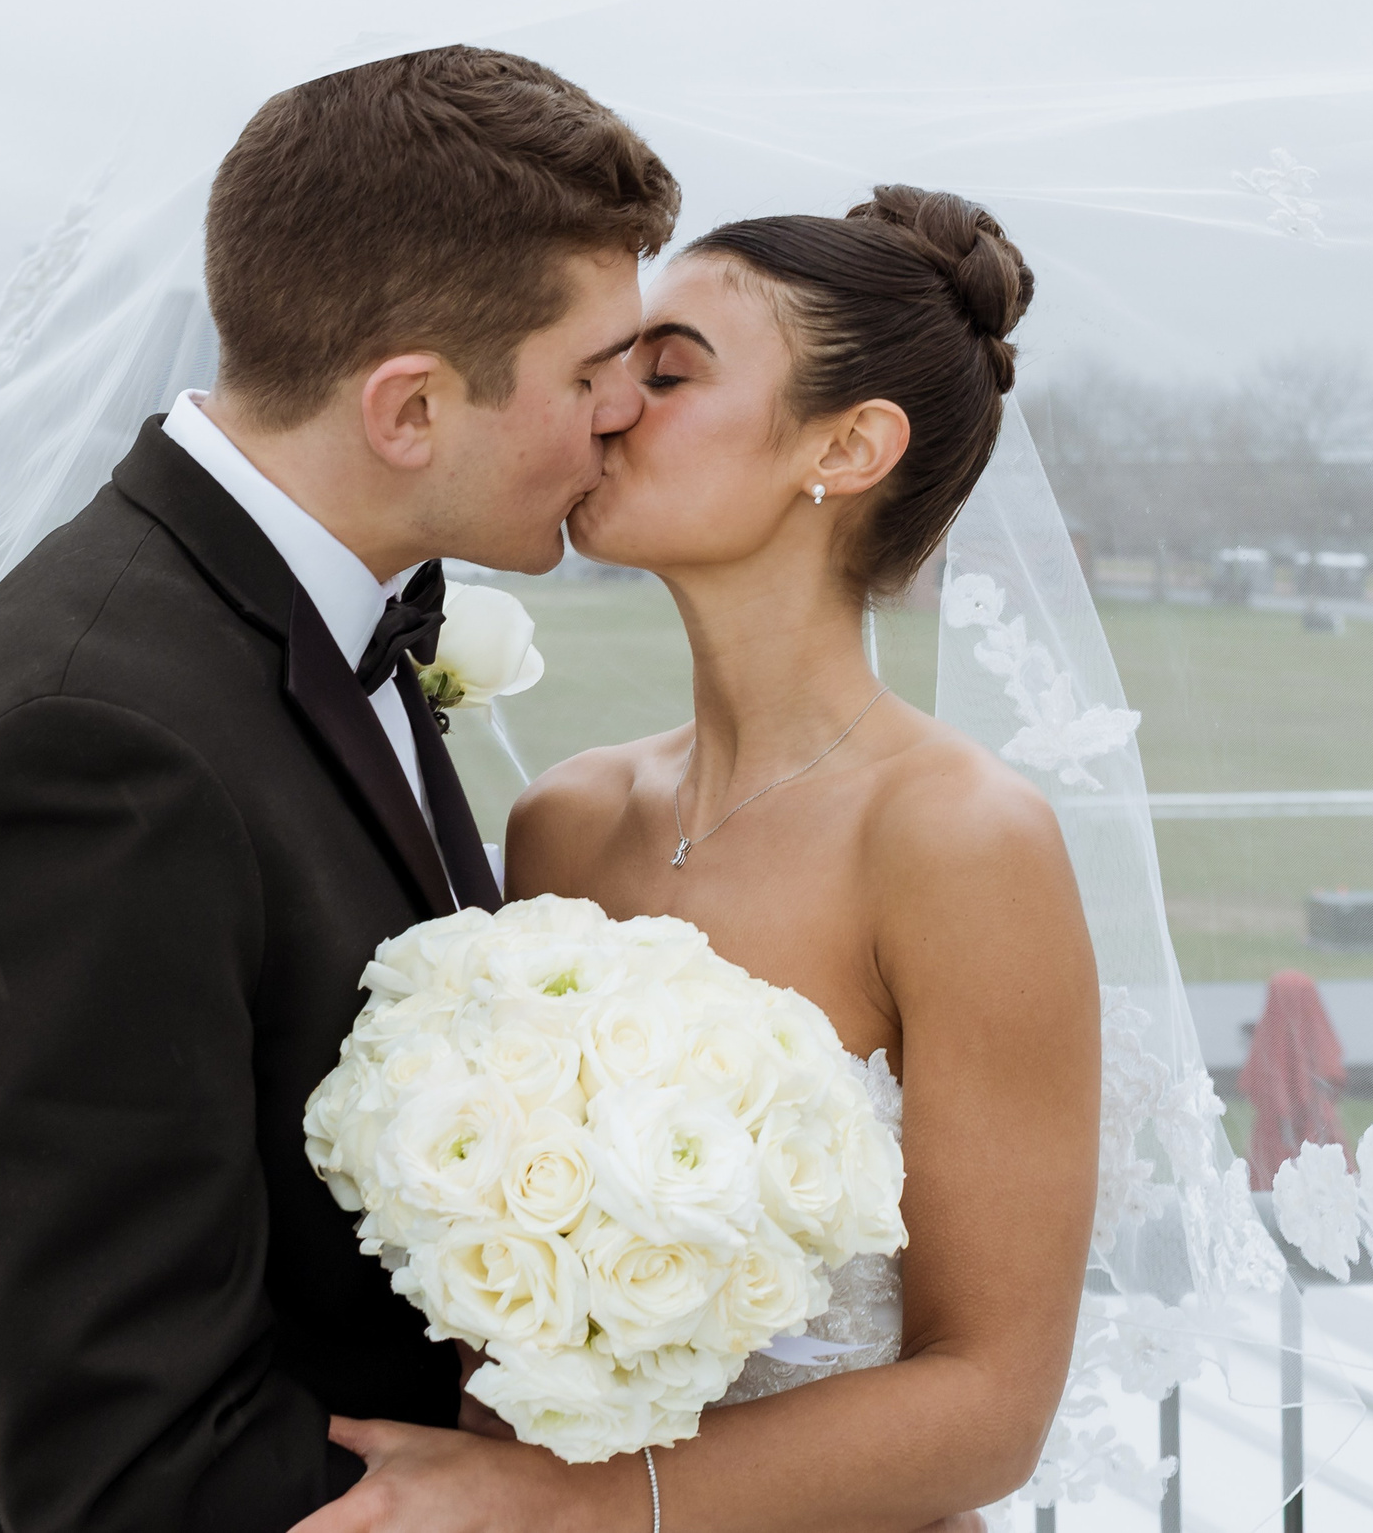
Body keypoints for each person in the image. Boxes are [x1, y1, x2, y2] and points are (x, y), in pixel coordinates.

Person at [0, 45, 680, 1532]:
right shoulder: (90, 756)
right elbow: (134, 1478)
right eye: (590, 373)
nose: (624, 413)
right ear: (408, 410)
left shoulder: (299, 623)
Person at [298, 188, 1103, 1532]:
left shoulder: (958, 842)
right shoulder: (566, 820)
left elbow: (992, 1403)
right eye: (611, 367)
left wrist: (567, 1509)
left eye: (666, 374)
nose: (607, 406)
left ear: (847, 446)